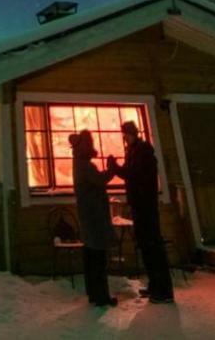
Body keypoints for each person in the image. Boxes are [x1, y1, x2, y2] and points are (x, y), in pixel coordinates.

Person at [108, 120, 174, 303]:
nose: (124, 138)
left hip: (146, 205)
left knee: (152, 245)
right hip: (139, 204)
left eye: (126, 134)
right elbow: (130, 173)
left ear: (131, 134)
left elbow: (132, 174)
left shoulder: (142, 151)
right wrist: (116, 167)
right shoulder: (134, 151)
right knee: (146, 245)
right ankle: (155, 286)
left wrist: (115, 168)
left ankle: (163, 290)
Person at [69, 130, 117, 307]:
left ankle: (93, 294)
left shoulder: (79, 163)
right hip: (94, 216)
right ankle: (101, 296)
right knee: (98, 257)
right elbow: (100, 180)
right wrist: (112, 169)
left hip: (88, 215)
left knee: (91, 255)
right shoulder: (85, 166)